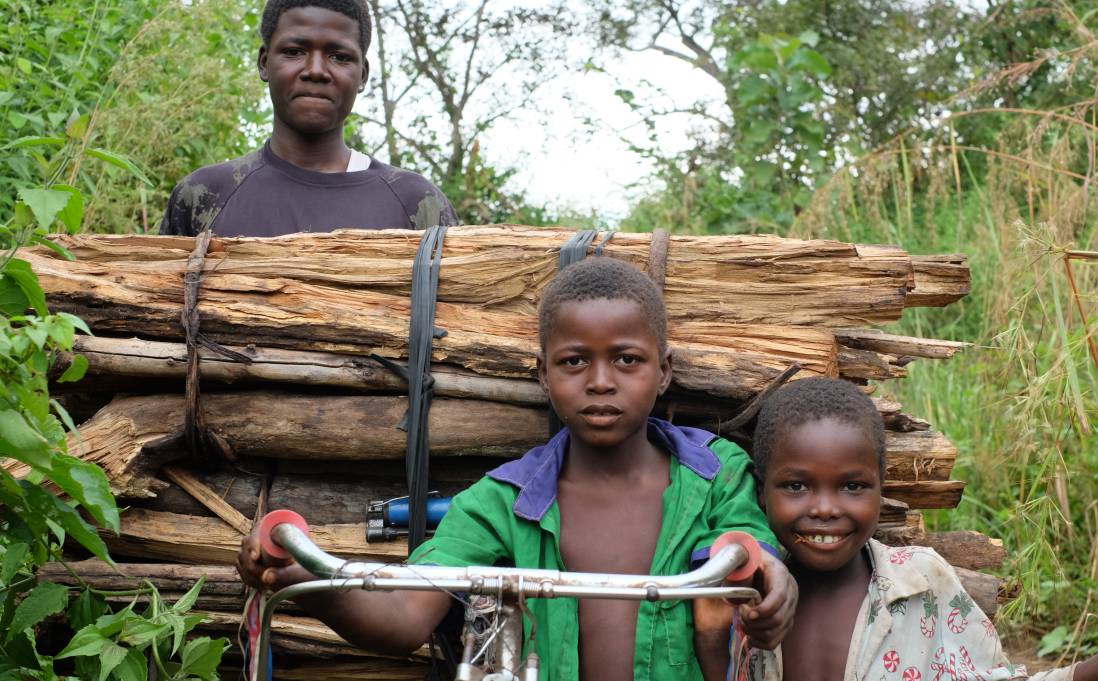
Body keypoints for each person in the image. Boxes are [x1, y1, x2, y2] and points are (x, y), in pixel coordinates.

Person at [236, 257, 799, 681]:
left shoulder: (716, 473)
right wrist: (306, 582)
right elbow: (406, 615)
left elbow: (747, 554)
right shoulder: (503, 499)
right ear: (542, 374)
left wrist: (768, 582)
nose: (601, 381)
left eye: (626, 360)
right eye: (574, 361)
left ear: (664, 371)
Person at [748, 376, 1098, 681]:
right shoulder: (741, 597)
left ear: (880, 490)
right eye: (796, 485)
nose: (825, 509)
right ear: (761, 490)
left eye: (852, 486)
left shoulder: (921, 581)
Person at [160, 0, 456, 237]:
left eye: (339, 56)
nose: (315, 70)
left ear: (362, 75)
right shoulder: (203, 196)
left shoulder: (419, 205)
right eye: (294, 51)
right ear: (264, 63)